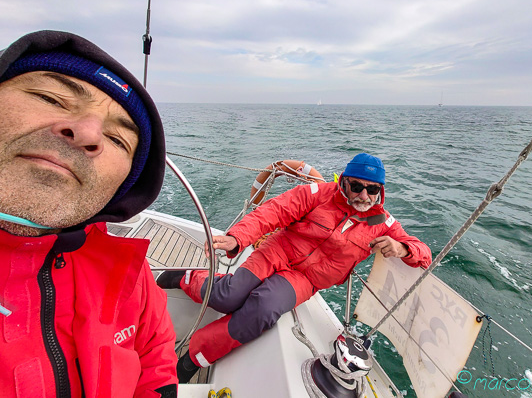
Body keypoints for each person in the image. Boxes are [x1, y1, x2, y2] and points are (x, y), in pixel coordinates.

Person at [0, 30, 178, 397]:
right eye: (51, 97)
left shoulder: (129, 271)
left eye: (118, 140)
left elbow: (156, 361)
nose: (87, 132)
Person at [160, 153, 432, 382]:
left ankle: (193, 357)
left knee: (262, 310)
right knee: (227, 296)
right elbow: (274, 211)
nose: (364, 194)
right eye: (357, 186)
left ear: (380, 191)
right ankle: (187, 278)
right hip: (278, 251)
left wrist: (403, 249)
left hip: (305, 279)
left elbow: (425, 254)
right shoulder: (318, 194)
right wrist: (238, 237)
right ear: (344, 182)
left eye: (372, 189)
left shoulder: (382, 223)